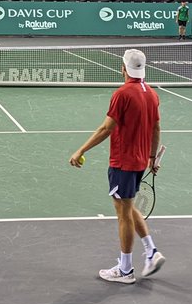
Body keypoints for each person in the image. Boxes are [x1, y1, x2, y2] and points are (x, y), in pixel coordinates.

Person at [69, 48, 165, 285]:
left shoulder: (122, 94)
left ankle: (125, 270)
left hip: (123, 162)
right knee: (129, 206)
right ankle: (151, 251)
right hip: (140, 161)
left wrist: (81, 150)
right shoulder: (151, 94)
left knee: (123, 213)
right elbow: (156, 128)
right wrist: (152, 158)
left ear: (123, 68)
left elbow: (106, 129)